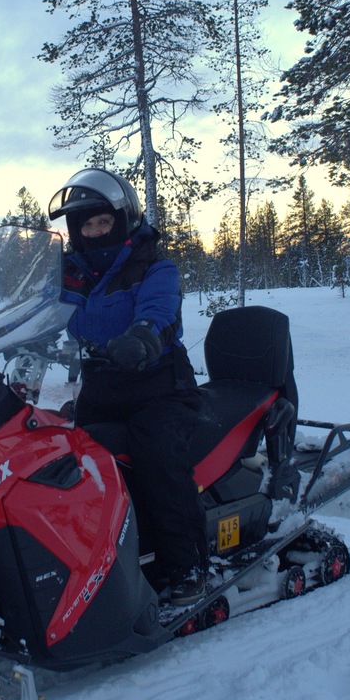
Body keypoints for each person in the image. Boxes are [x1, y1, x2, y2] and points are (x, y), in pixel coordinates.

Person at [48, 168, 209, 606]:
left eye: (102, 222)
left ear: (122, 221)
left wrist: (141, 336)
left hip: (157, 389)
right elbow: (39, 316)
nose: (94, 232)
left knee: (156, 455)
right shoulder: (68, 277)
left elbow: (159, 310)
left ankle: (185, 565)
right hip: (96, 392)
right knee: (52, 460)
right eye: (85, 225)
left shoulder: (153, 267)